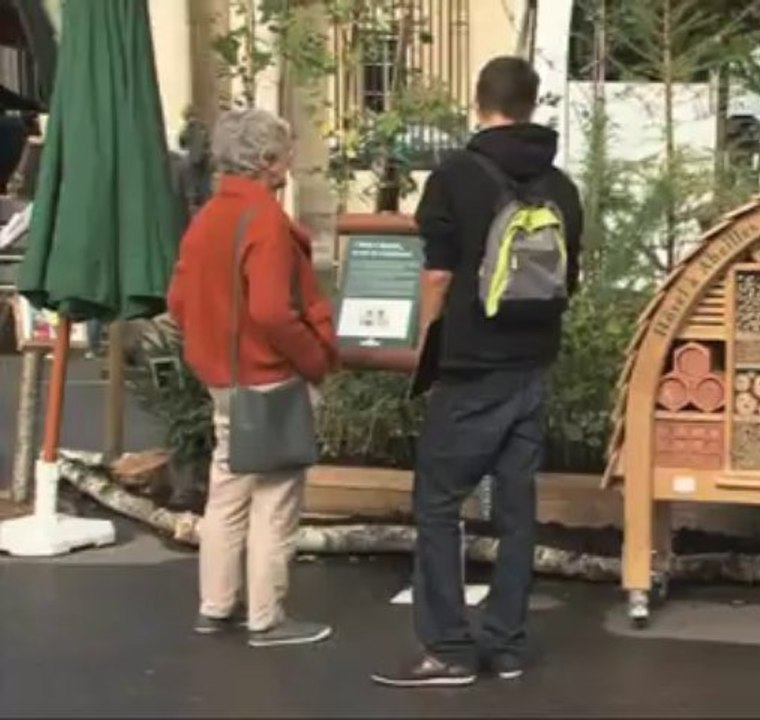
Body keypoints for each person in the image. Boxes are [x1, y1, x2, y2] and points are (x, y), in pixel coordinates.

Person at [369, 56, 582, 688]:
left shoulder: (455, 177)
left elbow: (436, 273)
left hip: (471, 369)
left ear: (478, 100)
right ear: (533, 102)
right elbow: (570, 280)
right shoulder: (562, 187)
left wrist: (426, 340)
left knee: (437, 501)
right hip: (533, 366)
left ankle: (449, 648)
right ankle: (508, 643)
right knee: (517, 509)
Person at [167, 108, 338, 648]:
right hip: (268, 375)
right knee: (276, 496)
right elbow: (270, 309)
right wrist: (313, 358)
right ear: (268, 161)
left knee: (229, 489)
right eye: (286, 151)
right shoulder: (263, 219)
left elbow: (177, 300)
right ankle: (267, 616)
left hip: (223, 375)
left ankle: (216, 605)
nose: (291, 161)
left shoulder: (208, 216)